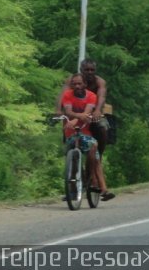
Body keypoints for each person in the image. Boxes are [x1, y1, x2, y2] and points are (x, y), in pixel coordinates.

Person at [61, 73, 114, 201]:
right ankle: (72, 190)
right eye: (74, 84)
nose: (77, 86)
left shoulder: (91, 96)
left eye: (79, 83)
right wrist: (76, 119)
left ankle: (102, 188)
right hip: (71, 133)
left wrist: (77, 118)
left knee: (94, 151)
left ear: (85, 84)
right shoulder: (67, 95)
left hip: (85, 134)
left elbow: (88, 111)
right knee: (71, 160)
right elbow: (67, 111)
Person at [56, 59, 109, 157]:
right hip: (73, 112)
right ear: (81, 69)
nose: (89, 72)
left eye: (92, 70)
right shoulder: (72, 80)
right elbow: (63, 94)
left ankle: (99, 156)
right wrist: (58, 110)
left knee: (103, 127)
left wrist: (97, 110)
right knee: (65, 122)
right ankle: (70, 154)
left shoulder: (99, 82)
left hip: (92, 111)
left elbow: (101, 96)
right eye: (86, 70)